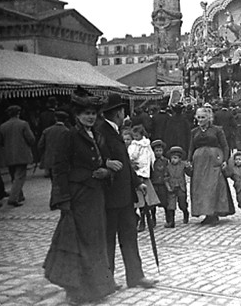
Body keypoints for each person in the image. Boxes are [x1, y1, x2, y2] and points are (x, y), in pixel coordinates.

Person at [43, 88, 117, 304]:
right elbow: (60, 169)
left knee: (95, 240)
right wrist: (63, 200)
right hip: (78, 197)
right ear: (76, 115)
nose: (90, 117)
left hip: (95, 196)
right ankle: (76, 291)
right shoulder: (69, 136)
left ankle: (97, 287)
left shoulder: (97, 135)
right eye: (86, 113)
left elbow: (101, 161)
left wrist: (106, 171)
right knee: (79, 243)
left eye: (93, 113)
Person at [96, 94, 157, 289]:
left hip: (124, 196)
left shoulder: (115, 131)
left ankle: (135, 276)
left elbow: (125, 163)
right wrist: (105, 163)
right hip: (109, 195)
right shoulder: (102, 131)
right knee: (109, 240)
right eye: (122, 111)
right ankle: (108, 280)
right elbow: (97, 158)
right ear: (118, 113)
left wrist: (136, 183)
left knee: (129, 236)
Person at [189, 107, 235, 225]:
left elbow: (225, 146)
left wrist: (225, 159)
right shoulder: (194, 131)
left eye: (203, 117)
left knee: (214, 186)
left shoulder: (217, 130)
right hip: (199, 163)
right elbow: (191, 147)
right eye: (198, 117)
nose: (200, 120)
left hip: (214, 160)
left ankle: (214, 213)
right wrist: (189, 161)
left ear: (209, 118)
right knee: (201, 188)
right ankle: (206, 213)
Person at [0, 105, 36, 207]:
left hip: (9, 155)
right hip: (21, 154)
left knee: (13, 176)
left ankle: (19, 195)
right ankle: (13, 198)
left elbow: (0, 142)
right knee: (19, 177)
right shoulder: (23, 124)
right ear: (18, 113)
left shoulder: (2, 126)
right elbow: (31, 139)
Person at [128, 125, 161, 232]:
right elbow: (131, 156)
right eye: (134, 136)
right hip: (136, 173)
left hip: (144, 173)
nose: (135, 138)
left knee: (146, 199)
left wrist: (151, 167)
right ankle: (137, 219)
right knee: (137, 200)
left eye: (137, 136)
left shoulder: (146, 145)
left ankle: (147, 218)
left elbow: (151, 157)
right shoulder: (134, 145)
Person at [164, 146, 191, 228]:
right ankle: (171, 222)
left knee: (182, 204)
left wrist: (189, 168)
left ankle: (185, 213)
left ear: (180, 159)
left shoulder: (183, 165)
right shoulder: (168, 167)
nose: (173, 160)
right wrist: (168, 186)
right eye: (172, 158)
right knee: (171, 205)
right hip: (172, 187)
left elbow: (189, 173)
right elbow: (165, 178)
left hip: (181, 187)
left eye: (175, 158)